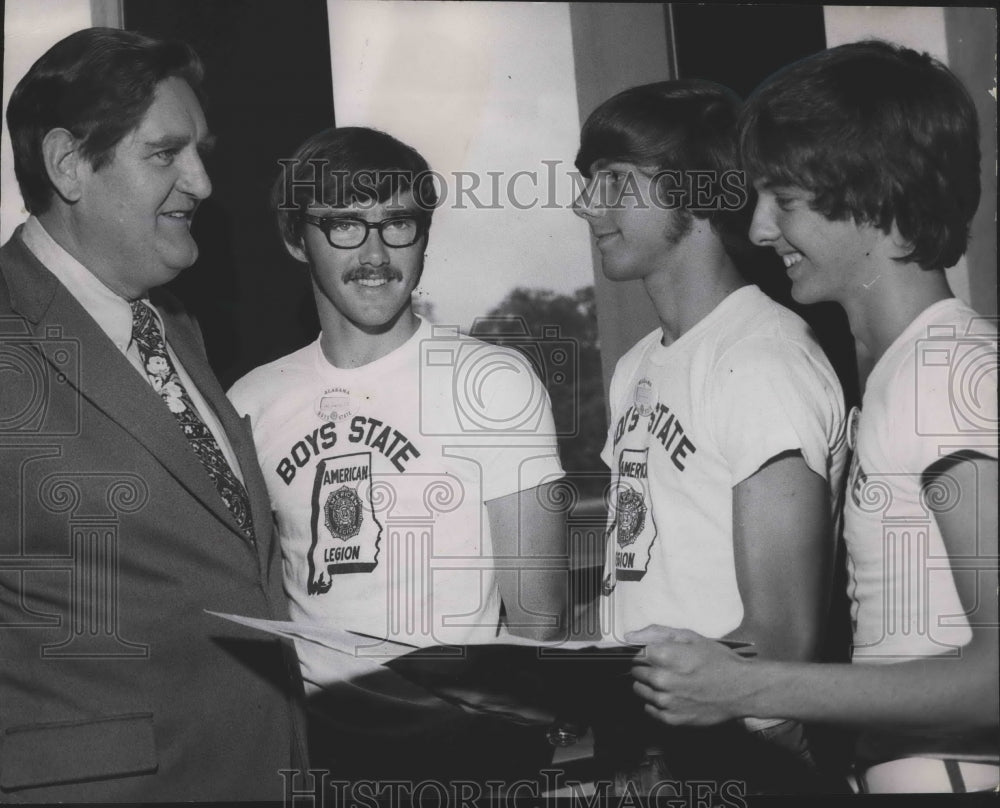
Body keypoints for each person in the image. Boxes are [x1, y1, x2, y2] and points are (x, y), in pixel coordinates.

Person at [628, 41, 999, 795]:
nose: (760, 230)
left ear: (878, 202)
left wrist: (747, 689)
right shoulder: (904, 374)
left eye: (786, 202)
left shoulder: (947, 375)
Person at [0, 28, 306, 802]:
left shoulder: (175, 329)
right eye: (166, 154)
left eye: (201, 151)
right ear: (68, 164)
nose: (202, 181)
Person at [228, 126, 568, 784]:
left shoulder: (492, 382)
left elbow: (540, 618)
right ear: (297, 240)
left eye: (398, 224)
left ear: (425, 237)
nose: (376, 253)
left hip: (466, 756)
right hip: (316, 756)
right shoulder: (251, 401)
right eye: (344, 226)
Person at [571, 80, 849, 792]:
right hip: (650, 749)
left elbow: (780, 643)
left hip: (743, 759)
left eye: (614, 183)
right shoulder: (638, 364)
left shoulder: (762, 358)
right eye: (587, 184)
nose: (585, 206)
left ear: (695, 193)